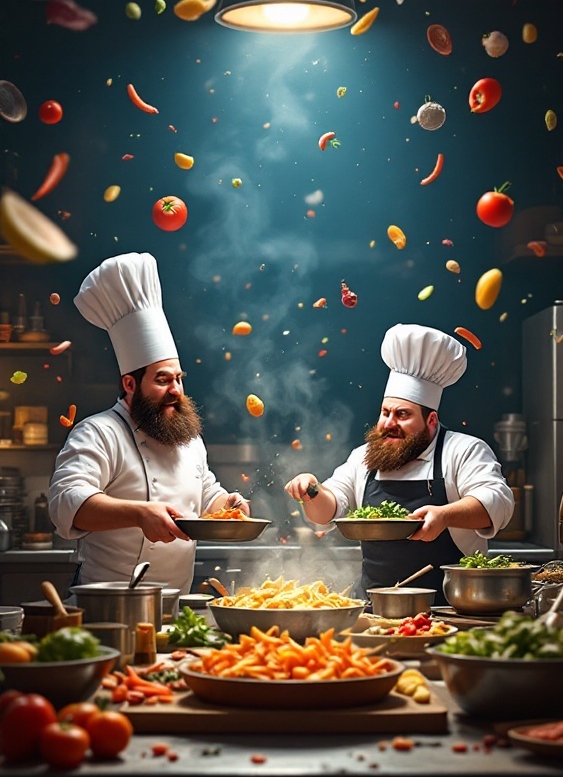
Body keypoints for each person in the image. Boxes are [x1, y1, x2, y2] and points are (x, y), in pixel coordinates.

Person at [49, 252, 250, 594]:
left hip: (176, 602)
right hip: (107, 604)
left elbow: (203, 496)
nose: (175, 390)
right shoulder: (98, 433)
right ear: (130, 384)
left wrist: (227, 504)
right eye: (162, 380)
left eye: (179, 379)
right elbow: (67, 503)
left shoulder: (188, 439)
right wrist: (139, 513)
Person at [284, 323, 514, 602]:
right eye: (385, 413)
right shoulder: (363, 457)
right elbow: (328, 511)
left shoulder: (463, 450)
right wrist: (311, 490)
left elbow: (497, 502)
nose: (389, 424)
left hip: (450, 608)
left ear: (431, 421)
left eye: (402, 415)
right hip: (375, 606)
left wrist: (445, 515)